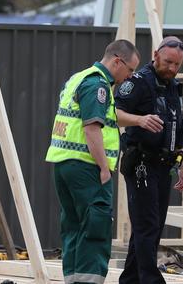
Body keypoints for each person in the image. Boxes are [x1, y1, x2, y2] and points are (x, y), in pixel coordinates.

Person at [45, 39, 140, 284]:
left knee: (74, 228)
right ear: (117, 61)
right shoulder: (97, 84)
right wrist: (104, 168)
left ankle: (74, 280)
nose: (129, 77)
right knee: (95, 227)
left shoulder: (79, 78)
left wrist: (139, 120)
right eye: (130, 70)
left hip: (65, 164)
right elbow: (92, 128)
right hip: (87, 167)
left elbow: (105, 114)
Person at [115, 36, 183, 284]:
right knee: (147, 226)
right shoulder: (138, 82)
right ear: (155, 54)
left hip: (164, 164)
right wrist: (139, 120)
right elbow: (112, 112)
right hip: (141, 163)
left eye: (176, 65)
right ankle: (151, 280)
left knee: (152, 227)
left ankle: (129, 279)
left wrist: (182, 164)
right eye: (167, 62)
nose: (171, 68)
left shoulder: (173, 86)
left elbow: (176, 128)